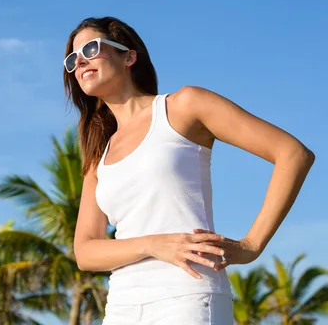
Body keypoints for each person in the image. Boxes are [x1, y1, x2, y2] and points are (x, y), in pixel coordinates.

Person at [66, 16, 315, 324]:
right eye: (73, 59)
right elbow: (86, 251)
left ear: (129, 56)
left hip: (189, 295)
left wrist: (251, 245)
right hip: (122, 307)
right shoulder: (98, 153)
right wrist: (152, 244)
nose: (80, 62)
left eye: (90, 49)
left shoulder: (184, 106)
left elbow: (293, 154)